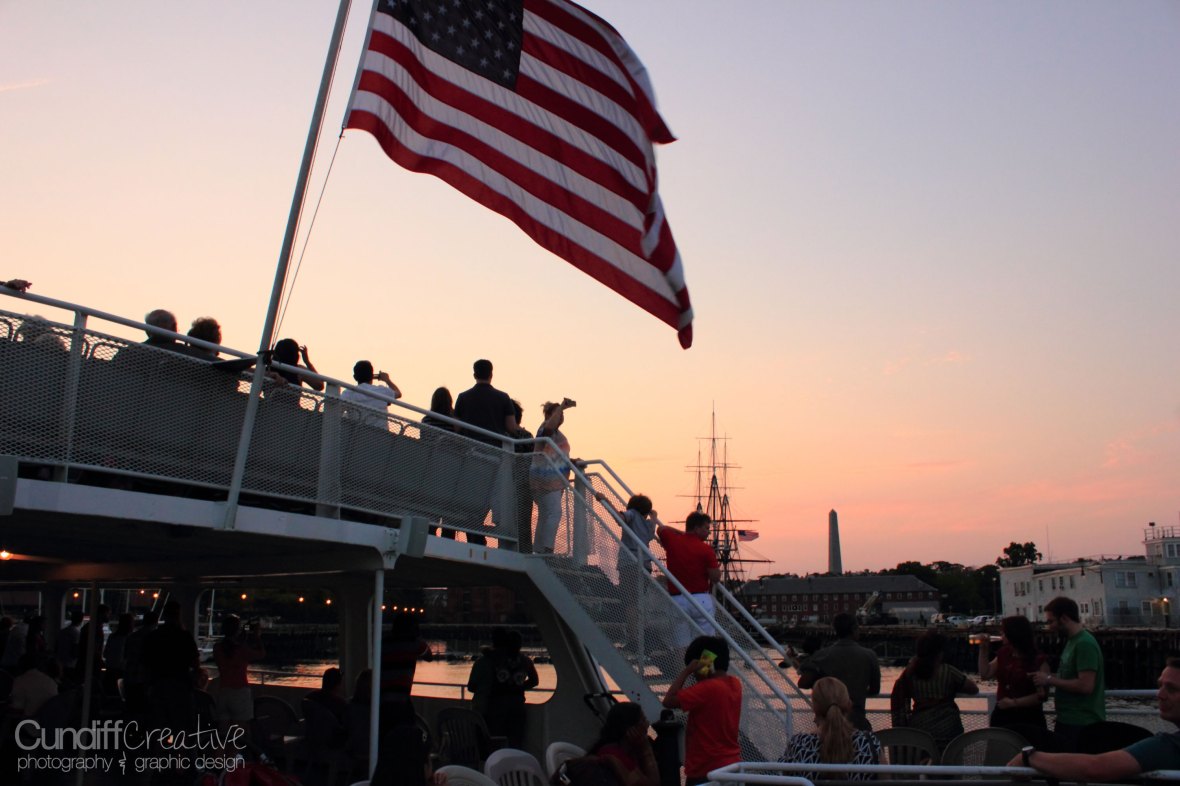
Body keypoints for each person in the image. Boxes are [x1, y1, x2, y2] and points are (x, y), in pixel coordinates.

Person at [1012, 656, 1180, 779]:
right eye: (1159, 686)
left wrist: (1029, 757)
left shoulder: (1167, 747)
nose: (1160, 695)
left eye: (1171, 689)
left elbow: (1095, 767)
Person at [662, 635, 742, 786]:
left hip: (706, 770)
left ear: (706, 662)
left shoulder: (708, 689)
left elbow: (668, 700)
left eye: (695, 669)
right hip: (731, 765)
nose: (694, 675)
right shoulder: (734, 684)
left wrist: (686, 671)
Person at [1034, 595, 1105, 752]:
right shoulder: (1072, 641)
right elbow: (1069, 677)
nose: (1049, 626)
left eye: (1051, 621)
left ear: (1064, 618)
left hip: (1082, 723)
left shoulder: (1084, 643)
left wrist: (1048, 679)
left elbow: (1086, 686)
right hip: (1068, 720)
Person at [890, 630, 979, 753]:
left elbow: (899, 691)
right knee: (950, 758)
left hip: (919, 730)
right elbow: (974, 689)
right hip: (949, 729)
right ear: (939, 653)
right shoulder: (948, 671)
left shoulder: (911, 673)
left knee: (923, 762)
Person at [783, 676, 881, 781]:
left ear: (815, 708)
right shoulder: (868, 744)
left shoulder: (799, 745)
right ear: (848, 704)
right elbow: (886, 781)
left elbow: (784, 779)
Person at [795, 613, 881, 731]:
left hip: (827, 727)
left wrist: (823, 685)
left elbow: (803, 683)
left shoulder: (821, 656)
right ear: (854, 629)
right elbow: (875, 690)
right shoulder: (870, 656)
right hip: (858, 722)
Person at [466, 628, 538, 749]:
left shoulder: (493, 660)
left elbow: (472, 686)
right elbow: (535, 681)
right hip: (517, 706)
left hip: (495, 707)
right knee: (516, 742)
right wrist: (519, 687)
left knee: (493, 741)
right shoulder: (526, 661)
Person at [656, 511, 720, 646]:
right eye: (706, 528)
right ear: (696, 528)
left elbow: (661, 529)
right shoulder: (706, 549)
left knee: (680, 643)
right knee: (708, 642)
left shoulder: (672, 540)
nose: (708, 532)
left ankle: (683, 667)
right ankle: (704, 668)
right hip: (700, 599)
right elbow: (715, 578)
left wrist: (684, 534)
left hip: (677, 599)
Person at [976, 615, 1049, 730]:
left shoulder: (1038, 660)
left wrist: (1013, 703)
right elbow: (985, 674)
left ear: (1014, 634)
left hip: (1029, 717)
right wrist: (983, 649)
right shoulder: (1004, 653)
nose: (1002, 636)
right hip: (1003, 715)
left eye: (1004, 633)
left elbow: (1042, 695)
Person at [529, 398, 577, 553]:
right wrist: (562, 406)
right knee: (555, 512)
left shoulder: (557, 434)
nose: (561, 416)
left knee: (546, 514)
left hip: (553, 480)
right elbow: (548, 430)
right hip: (546, 480)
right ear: (550, 414)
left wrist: (572, 461)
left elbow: (557, 454)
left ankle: (539, 549)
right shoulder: (545, 428)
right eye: (559, 413)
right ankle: (547, 549)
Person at [212, 613, 265, 732]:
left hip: (223, 693)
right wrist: (257, 637)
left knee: (223, 735)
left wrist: (244, 631)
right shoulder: (242, 650)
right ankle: (234, 751)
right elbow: (261, 653)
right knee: (238, 735)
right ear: (237, 630)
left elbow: (233, 644)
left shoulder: (218, 648)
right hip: (240, 693)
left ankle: (221, 751)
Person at [588, 702, 659, 786]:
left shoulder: (622, 751)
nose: (647, 724)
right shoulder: (615, 755)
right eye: (643, 720)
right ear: (631, 730)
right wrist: (646, 749)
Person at [454, 359, 518, 445]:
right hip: (495, 449)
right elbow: (511, 427)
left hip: (469, 448)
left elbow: (456, 427)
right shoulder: (503, 397)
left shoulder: (463, 397)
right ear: (491, 375)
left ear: (474, 375)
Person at [341, 359, 402, 423]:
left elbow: (338, 410)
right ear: (372, 376)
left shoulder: (348, 393)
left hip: (357, 431)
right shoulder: (382, 391)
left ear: (355, 377)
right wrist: (387, 380)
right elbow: (398, 393)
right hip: (381, 432)